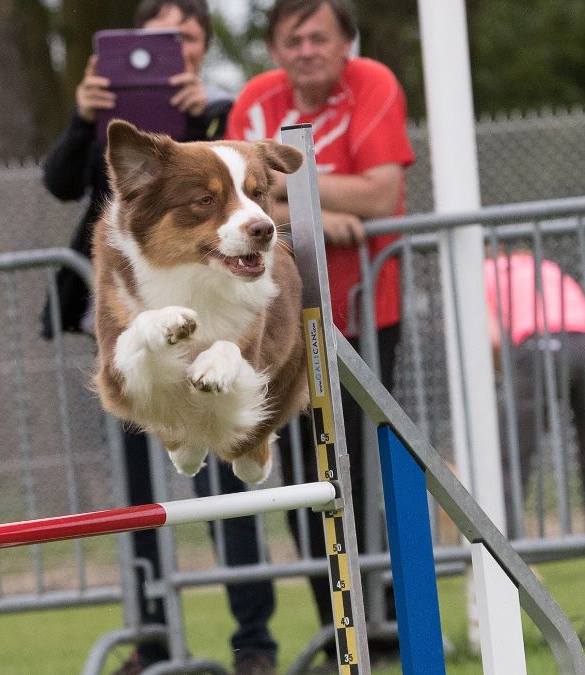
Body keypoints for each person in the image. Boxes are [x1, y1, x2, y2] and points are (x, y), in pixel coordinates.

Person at [40, 2, 277, 673]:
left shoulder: (220, 118)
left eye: (187, 38)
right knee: (138, 493)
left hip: (215, 312)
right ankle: (151, 638)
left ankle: (252, 642)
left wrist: (213, 110)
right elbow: (59, 181)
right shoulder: (112, 123)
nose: (173, 50)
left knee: (231, 486)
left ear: (201, 47)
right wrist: (83, 118)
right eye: (156, 40)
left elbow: (256, 176)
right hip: (129, 315)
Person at [225, 0, 414, 666]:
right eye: (291, 38)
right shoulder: (255, 99)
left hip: (365, 309)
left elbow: (381, 194)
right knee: (307, 480)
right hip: (281, 322)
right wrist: (310, 214)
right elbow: (238, 202)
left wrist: (295, 197)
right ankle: (339, 630)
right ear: (276, 48)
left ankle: (386, 620)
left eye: (318, 37)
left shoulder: (375, 85)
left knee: (370, 469)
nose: (305, 49)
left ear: (344, 44)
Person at [484, 250, 585, 573]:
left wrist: (510, 377)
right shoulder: (542, 264)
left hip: (539, 346)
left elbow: (493, 338)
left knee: (509, 457)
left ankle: (500, 556)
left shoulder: (480, 274)